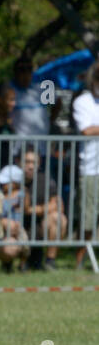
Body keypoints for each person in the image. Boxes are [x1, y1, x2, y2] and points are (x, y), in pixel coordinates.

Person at [16, 148, 65, 271]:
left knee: (58, 218)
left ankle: (50, 261)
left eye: (34, 162)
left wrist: (31, 210)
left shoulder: (45, 179)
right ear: (19, 162)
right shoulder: (11, 179)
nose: (31, 166)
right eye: (27, 162)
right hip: (16, 228)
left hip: (39, 227)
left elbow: (58, 205)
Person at [72, 61, 99, 269]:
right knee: (88, 218)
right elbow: (86, 131)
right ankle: (79, 260)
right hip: (91, 168)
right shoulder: (83, 101)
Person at [0, 164, 27, 269]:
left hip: (17, 226)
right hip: (0, 226)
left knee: (24, 238)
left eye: (5, 182)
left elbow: (26, 206)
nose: (1, 184)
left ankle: (23, 264)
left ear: (15, 183)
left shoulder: (21, 195)